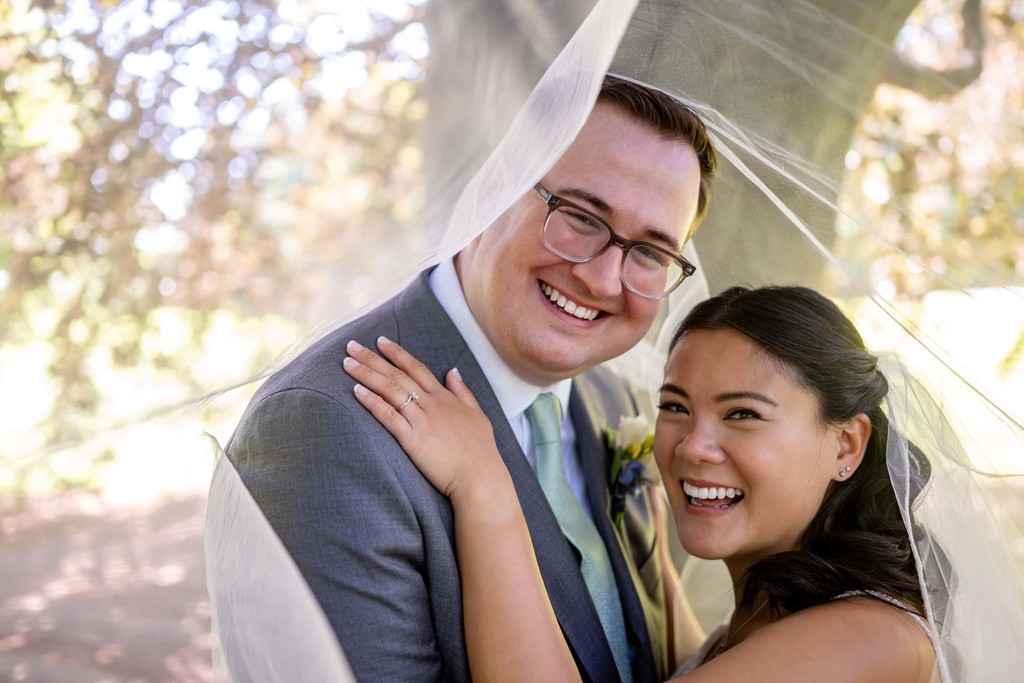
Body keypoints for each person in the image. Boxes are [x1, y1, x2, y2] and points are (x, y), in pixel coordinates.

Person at [222, 74, 717, 683]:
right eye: (583, 217)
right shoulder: (327, 427)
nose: (604, 279)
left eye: (649, 253)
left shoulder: (614, 402)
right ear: (493, 186)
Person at [342, 285, 966, 681]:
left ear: (846, 445)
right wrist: (648, 557)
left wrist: (484, 483)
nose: (693, 445)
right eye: (675, 407)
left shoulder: (872, 639)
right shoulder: (766, 621)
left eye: (742, 414)